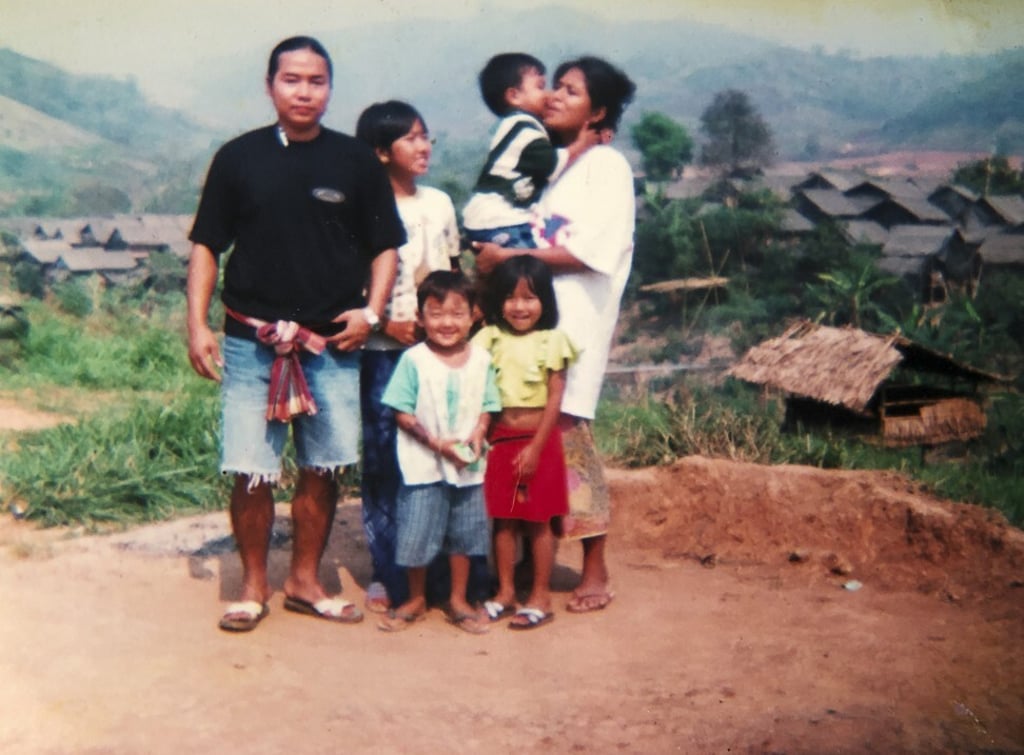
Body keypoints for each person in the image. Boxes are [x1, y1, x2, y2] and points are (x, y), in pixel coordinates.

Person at [187, 36, 403, 632]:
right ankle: (254, 586)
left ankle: (305, 580)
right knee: (250, 468)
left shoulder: (355, 162)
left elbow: (386, 246)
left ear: (329, 89)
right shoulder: (238, 158)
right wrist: (197, 325)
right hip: (249, 340)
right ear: (270, 85)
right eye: (292, 80)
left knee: (324, 465)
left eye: (316, 81)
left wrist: (373, 313)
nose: (304, 91)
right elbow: (206, 246)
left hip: (331, 343)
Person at [474, 55, 637, 615]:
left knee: (568, 436)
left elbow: (591, 251)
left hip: (575, 322)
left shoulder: (608, 167)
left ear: (600, 111)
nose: (556, 97)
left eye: (571, 91)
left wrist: (510, 255)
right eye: (555, 88)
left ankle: (595, 567)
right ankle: (517, 565)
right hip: (524, 322)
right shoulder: (549, 163)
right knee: (515, 429)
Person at [354, 100, 462, 615]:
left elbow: (454, 272)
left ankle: (444, 571)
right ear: (379, 152)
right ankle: (388, 569)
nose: (423, 147)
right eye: (410, 139)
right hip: (383, 354)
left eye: (427, 137)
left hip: (440, 354)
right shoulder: (363, 207)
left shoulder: (439, 203)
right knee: (386, 460)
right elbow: (346, 281)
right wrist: (380, 320)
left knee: (442, 452)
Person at [378, 271, 500, 634]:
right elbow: (400, 411)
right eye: (436, 313)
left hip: (467, 463)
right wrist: (435, 444)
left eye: (457, 313)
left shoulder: (481, 359)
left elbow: (489, 403)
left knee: (465, 532)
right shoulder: (414, 360)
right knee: (417, 531)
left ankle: (458, 599)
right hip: (424, 464)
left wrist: (479, 432)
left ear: (474, 315)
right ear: (420, 318)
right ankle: (415, 598)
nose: (447, 323)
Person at [473, 255, 577, 630]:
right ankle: (505, 592)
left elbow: (555, 398)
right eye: (511, 298)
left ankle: (540, 596)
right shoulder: (488, 338)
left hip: (539, 443)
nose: (520, 307)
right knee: (503, 521)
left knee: (537, 522)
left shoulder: (553, 340)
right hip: (500, 440)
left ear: (545, 301)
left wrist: (535, 448)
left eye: (530, 298)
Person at [462, 52, 567, 248]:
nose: (548, 94)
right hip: (498, 219)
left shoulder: (518, 125)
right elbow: (555, 164)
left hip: (494, 219)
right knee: (527, 270)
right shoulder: (523, 128)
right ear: (514, 96)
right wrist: (585, 142)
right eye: (540, 87)